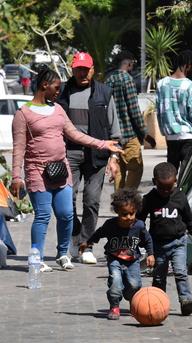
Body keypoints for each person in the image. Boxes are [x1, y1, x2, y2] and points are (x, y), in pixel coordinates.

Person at [11, 68, 122, 271]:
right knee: (43, 215)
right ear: (44, 85)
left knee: (65, 214)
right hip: (37, 171)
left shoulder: (58, 110)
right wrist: (16, 177)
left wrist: (103, 144)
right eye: (56, 87)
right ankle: (36, 258)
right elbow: (18, 148)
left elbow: (75, 134)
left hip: (61, 170)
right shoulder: (23, 113)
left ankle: (63, 254)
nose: (58, 92)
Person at [57, 52, 121, 265]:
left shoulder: (104, 92)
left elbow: (114, 127)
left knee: (92, 201)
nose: (82, 73)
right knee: (67, 201)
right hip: (69, 153)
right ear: (72, 70)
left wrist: (113, 158)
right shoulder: (62, 92)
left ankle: (86, 245)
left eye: (86, 69)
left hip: (97, 154)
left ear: (93, 70)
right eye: (78, 69)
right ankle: (75, 234)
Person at [138, 162, 192, 316]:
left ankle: (186, 300)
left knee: (180, 272)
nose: (166, 192)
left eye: (169, 188)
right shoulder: (149, 199)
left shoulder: (180, 197)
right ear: (154, 182)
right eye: (162, 188)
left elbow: (189, 219)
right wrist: (141, 238)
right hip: (158, 244)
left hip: (178, 242)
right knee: (159, 276)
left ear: (176, 181)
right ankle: (158, 302)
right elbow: (140, 220)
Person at [80, 189, 154, 320]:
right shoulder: (110, 225)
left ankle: (133, 301)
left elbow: (148, 240)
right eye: (124, 214)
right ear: (117, 212)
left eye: (132, 213)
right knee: (115, 283)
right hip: (115, 260)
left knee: (135, 284)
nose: (129, 217)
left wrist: (150, 254)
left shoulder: (139, 226)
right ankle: (114, 306)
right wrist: (88, 243)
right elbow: (99, 233)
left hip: (133, 261)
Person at [106, 50, 152, 190]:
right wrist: (145, 133)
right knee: (136, 169)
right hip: (129, 134)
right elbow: (134, 110)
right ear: (128, 63)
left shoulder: (108, 80)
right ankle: (128, 199)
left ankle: (120, 204)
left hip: (113, 135)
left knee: (119, 170)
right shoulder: (127, 80)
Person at [156, 50, 192, 173]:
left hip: (170, 137)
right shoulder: (191, 86)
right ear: (188, 65)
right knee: (186, 175)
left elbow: (159, 111)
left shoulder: (161, 84)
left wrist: (164, 131)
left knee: (171, 173)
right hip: (188, 135)